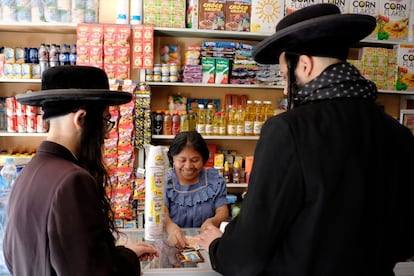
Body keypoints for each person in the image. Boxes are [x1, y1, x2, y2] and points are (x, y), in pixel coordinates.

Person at [198, 4, 414, 276]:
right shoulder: (397, 133)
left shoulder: (288, 130)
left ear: (304, 64)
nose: (286, 88)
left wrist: (217, 247)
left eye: (286, 77)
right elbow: (405, 242)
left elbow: (247, 255)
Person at [3, 66, 158, 276]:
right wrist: (128, 259)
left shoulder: (28, 173)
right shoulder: (73, 180)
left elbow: (16, 257)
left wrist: (120, 253)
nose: (106, 135)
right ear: (81, 119)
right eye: (105, 121)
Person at [164, 131, 228, 249]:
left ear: (203, 159)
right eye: (182, 160)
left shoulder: (216, 181)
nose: (188, 166)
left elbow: (222, 211)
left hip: (206, 245)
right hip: (172, 244)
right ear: (172, 159)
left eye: (194, 160)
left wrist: (212, 222)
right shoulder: (164, 182)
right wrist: (170, 227)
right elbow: (162, 212)